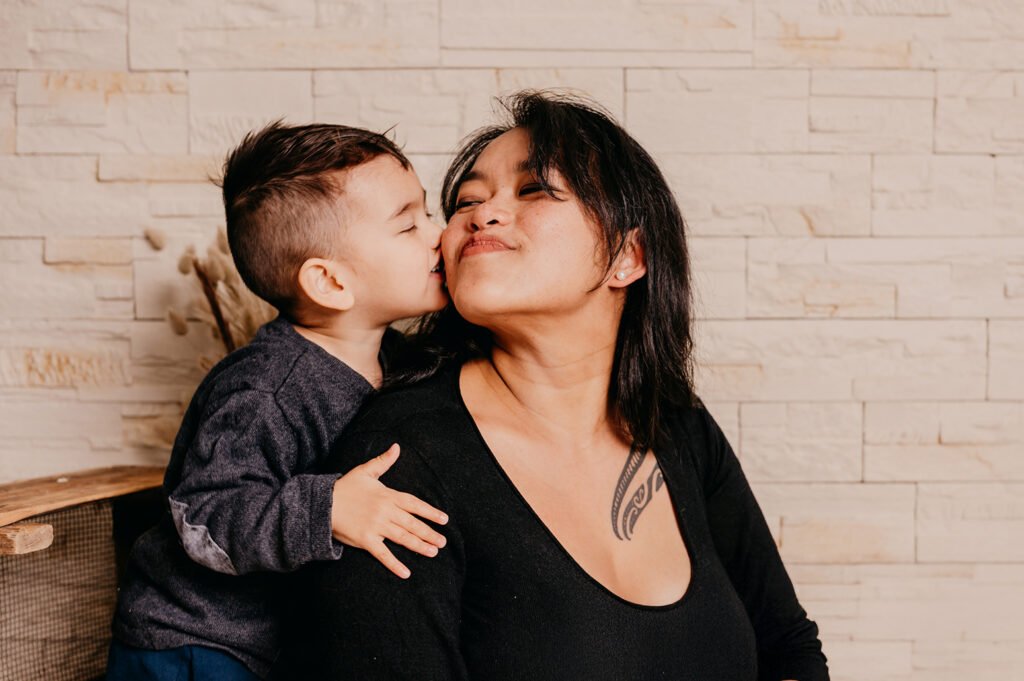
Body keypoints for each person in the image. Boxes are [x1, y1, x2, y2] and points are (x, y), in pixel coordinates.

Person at [296, 91, 830, 681]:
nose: (481, 214)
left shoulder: (677, 423)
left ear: (628, 255)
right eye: (467, 200)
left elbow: (788, 647)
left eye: (534, 191)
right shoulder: (397, 461)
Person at [108, 122, 452, 681]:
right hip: (195, 644)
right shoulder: (267, 388)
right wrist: (328, 509)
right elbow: (205, 513)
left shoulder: (393, 357)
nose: (437, 234)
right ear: (331, 283)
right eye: (409, 224)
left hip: (272, 646)